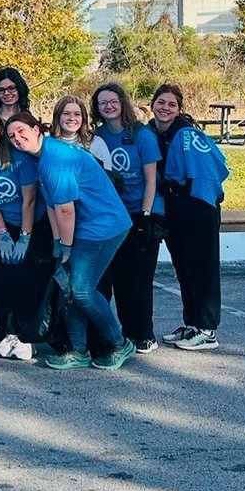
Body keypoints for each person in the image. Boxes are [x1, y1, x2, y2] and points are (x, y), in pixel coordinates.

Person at [6, 113, 136, 371]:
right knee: (72, 289)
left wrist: (65, 248)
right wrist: (57, 241)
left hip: (103, 226)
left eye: (22, 131)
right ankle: (78, 350)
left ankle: (119, 343)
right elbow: (54, 206)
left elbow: (66, 210)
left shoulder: (55, 159)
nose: (17, 138)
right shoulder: (41, 157)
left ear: (37, 129)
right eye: (11, 136)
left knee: (82, 290)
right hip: (84, 226)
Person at [148, 84, 230, 352]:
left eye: (171, 104)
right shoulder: (153, 134)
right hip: (175, 210)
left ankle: (207, 329)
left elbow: (211, 170)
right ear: (152, 104)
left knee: (202, 269)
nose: (165, 108)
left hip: (198, 208)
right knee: (184, 269)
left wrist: (195, 199)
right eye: (161, 102)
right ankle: (192, 324)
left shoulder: (186, 135)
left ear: (179, 109)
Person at [0, 107, 50, 360]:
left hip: (30, 223)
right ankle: (6, 332)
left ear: (1, 130)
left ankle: (27, 336)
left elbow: (29, 201)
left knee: (26, 278)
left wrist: (24, 237)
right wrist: (3, 233)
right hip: (1, 223)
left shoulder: (19, 158)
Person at [91, 83, 164, 354]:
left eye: (113, 101)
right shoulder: (97, 137)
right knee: (118, 278)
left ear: (123, 102)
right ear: (96, 108)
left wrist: (145, 216)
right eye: (102, 103)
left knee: (139, 279)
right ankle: (124, 333)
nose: (108, 106)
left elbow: (150, 179)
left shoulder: (142, 134)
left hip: (142, 213)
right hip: (113, 217)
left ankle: (144, 333)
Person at [51, 95, 112, 170]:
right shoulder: (47, 143)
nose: (72, 118)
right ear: (57, 116)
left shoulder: (96, 143)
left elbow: (106, 175)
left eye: (77, 114)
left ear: (83, 118)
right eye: (66, 113)